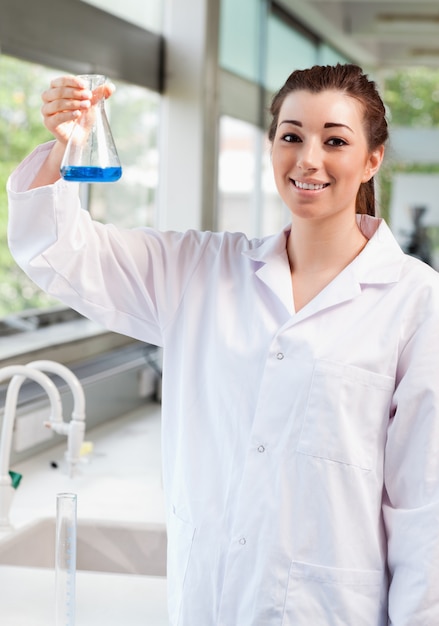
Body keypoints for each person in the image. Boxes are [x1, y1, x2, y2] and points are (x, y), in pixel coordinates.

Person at [7, 64, 439, 625]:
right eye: (291, 136)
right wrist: (64, 147)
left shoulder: (415, 300)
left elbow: (423, 510)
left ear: (372, 159)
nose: (309, 158)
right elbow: (57, 251)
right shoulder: (200, 271)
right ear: (271, 147)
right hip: (209, 602)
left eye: (335, 140)